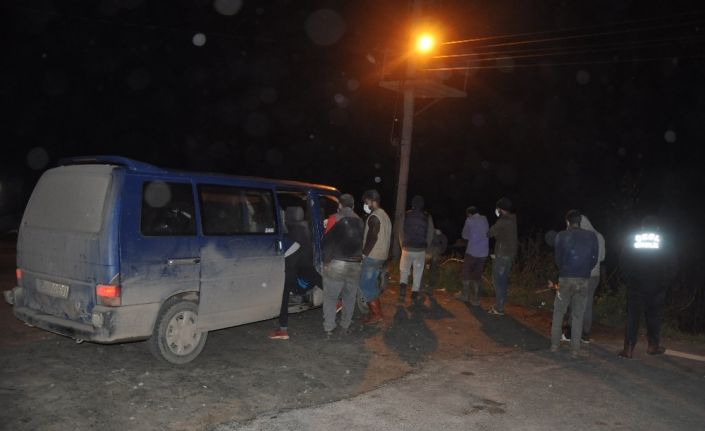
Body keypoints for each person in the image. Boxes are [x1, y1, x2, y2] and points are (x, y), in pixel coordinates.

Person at [618, 216, 677, 358]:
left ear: (642, 227)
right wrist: (664, 282)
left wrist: (628, 280)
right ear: (657, 227)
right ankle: (653, 346)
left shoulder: (633, 239)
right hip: (656, 286)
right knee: (654, 317)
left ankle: (628, 348)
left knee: (633, 317)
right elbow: (672, 263)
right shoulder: (664, 240)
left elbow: (624, 261)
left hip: (636, 285)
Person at [550, 210, 598, 358]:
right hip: (583, 279)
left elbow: (558, 259)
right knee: (578, 315)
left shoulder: (561, 236)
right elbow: (594, 259)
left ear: (567, 222)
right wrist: (584, 270)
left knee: (559, 312)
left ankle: (554, 345)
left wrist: (565, 269)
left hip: (565, 278)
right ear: (580, 222)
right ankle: (575, 350)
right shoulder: (591, 236)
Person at [269, 206, 322, 340]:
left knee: (284, 292)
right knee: (314, 275)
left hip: (292, 260)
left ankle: (283, 330)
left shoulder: (287, 227)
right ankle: (339, 298)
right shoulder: (304, 227)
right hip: (303, 260)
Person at [320, 193, 364, 337]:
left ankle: (329, 328)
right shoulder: (360, 221)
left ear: (340, 205)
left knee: (331, 297)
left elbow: (327, 242)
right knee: (349, 297)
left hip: (337, 264)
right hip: (355, 264)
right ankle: (345, 326)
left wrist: (325, 262)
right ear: (353, 206)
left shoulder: (334, 218)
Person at [359, 189, 392, 325]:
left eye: (366, 201)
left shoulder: (374, 217)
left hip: (372, 256)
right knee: (371, 284)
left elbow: (372, 237)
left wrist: (363, 254)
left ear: (373, 201)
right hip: (381, 256)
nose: (365, 204)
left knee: (365, 285)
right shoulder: (385, 215)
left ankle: (377, 314)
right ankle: (374, 313)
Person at [398, 195, 435, 305]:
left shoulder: (406, 214)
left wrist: (402, 245)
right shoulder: (427, 216)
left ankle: (402, 294)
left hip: (406, 249)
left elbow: (400, 231)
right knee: (417, 273)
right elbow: (430, 233)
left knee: (404, 271)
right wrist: (426, 246)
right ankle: (414, 295)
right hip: (420, 250)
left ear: (412, 204)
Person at [487, 197, 518, 316]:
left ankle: (499, 307)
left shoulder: (503, 221)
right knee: (503, 280)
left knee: (497, 281)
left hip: (502, 255)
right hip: (509, 255)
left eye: (498, 209)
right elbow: (501, 235)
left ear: (501, 209)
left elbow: (489, 233)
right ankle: (501, 303)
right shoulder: (512, 219)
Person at [458, 206, 489, 306]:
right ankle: (475, 299)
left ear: (469, 214)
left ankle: (465, 295)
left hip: (472, 251)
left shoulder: (469, 220)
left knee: (466, 272)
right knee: (477, 275)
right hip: (484, 252)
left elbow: (464, 235)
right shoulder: (484, 219)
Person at [425, 228, 448, 295]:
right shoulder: (431, 233)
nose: (436, 231)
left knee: (433, 268)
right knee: (428, 267)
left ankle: (430, 286)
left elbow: (443, 247)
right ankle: (425, 285)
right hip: (428, 252)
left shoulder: (442, 237)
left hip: (434, 253)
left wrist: (439, 250)